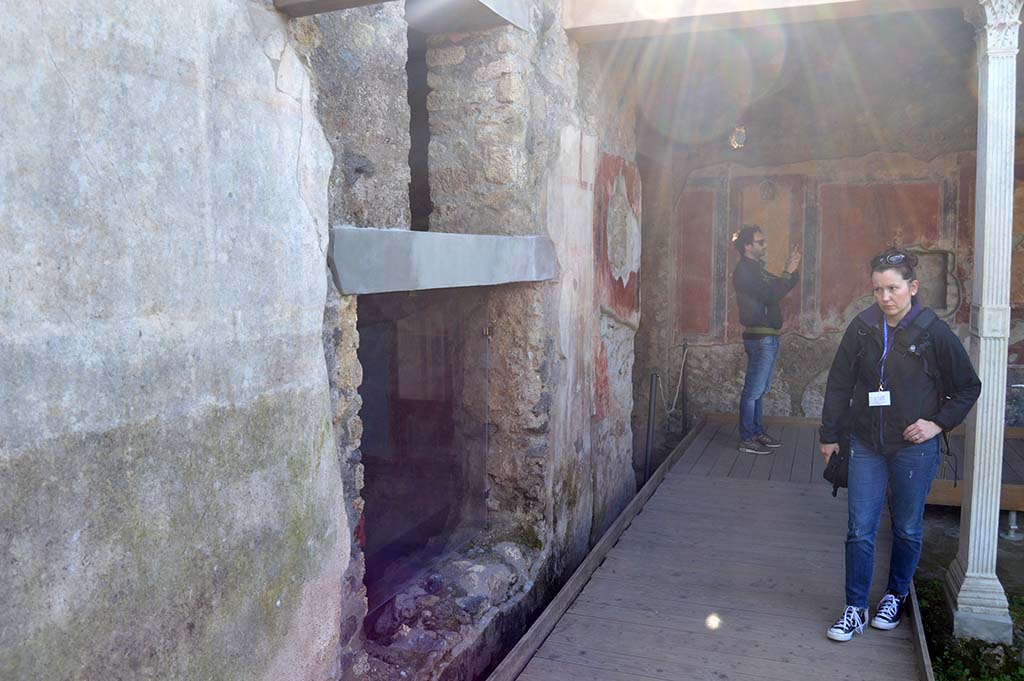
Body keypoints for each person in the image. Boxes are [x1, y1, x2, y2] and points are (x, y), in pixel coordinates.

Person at [819, 248, 981, 642]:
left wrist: (936, 424)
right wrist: (829, 435)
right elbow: (839, 384)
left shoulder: (933, 332)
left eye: (892, 288)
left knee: (907, 527)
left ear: (912, 287)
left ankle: (894, 595)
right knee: (860, 528)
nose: (885, 297)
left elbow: (967, 387)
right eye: (877, 290)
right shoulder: (861, 328)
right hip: (865, 443)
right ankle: (855, 608)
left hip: (913, 448)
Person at [732, 224, 802, 455]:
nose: (764, 245)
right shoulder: (744, 271)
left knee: (760, 390)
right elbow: (770, 294)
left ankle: (756, 432)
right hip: (759, 337)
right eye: (760, 241)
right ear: (747, 246)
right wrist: (786, 272)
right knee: (753, 391)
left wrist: (792, 269)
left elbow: (782, 286)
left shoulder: (758, 270)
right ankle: (747, 439)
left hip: (768, 337)